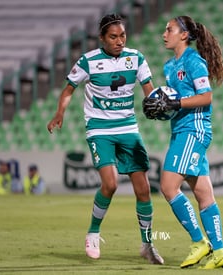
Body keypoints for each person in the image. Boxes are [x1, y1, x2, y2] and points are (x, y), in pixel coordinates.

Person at [46, 14, 163, 264]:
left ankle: (147, 245)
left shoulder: (136, 58)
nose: (119, 41)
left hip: (128, 128)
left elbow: (148, 90)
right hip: (99, 129)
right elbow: (68, 89)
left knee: (143, 189)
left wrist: (158, 103)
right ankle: (93, 232)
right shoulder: (88, 61)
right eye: (113, 37)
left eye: (122, 35)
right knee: (109, 185)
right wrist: (60, 112)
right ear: (102, 38)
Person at [143, 15, 223, 269]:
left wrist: (176, 103)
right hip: (181, 129)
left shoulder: (194, 61)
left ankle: (199, 242)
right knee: (204, 195)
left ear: (184, 35)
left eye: (169, 29)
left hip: (193, 131)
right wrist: (163, 110)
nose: (164, 33)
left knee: (168, 187)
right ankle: (220, 251)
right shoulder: (170, 67)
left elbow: (206, 97)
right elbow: (175, 103)